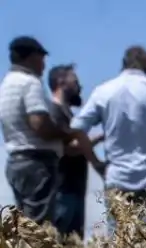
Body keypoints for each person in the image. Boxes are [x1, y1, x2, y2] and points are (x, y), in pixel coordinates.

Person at [69, 46, 146, 236]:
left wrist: (95, 162)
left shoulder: (104, 90)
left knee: (119, 242)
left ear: (123, 65)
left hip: (117, 176)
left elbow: (78, 127)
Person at [0, 36, 95, 226]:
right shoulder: (30, 83)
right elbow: (39, 124)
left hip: (15, 160)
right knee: (40, 227)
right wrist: (68, 134)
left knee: (25, 226)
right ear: (32, 57)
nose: (44, 64)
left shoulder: (7, 84)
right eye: (42, 57)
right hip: (36, 162)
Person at [48, 63, 105, 243]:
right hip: (62, 189)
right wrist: (103, 136)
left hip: (73, 188)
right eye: (75, 81)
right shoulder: (53, 111)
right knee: (60, 244)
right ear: (61, 81)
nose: (79, 86)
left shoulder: (67, 114)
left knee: (71, 245)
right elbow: (70, 148)